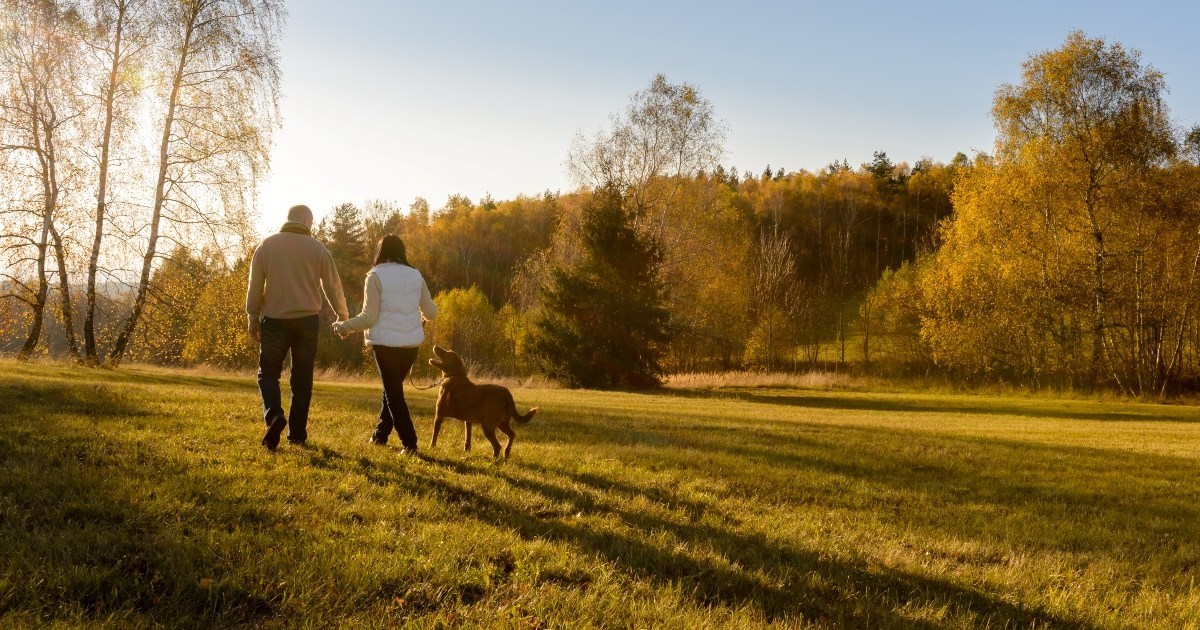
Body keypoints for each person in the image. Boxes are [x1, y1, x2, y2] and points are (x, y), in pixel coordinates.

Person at [245, 204, 349, 451]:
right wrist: (342, 316)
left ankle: (274, 416)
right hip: (307, 322)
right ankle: (297, 435)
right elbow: (333, 286)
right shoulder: (318, 248)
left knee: (268, 374)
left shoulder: (267, 245)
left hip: (274, 321)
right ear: (305, 219)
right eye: (311, 222)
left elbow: (255, 284)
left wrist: (252, 316)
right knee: (302, 380)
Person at [333, 235, 437, 453]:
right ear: (402, 251)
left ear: (380, 251)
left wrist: (344, 326)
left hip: (385, 345)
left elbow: (369, 317)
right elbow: (431, 313)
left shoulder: (375, 275)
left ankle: (410, 444)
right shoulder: (416, 275)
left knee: (393, 394)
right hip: (410, 346)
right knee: (392, 390)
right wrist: (418, 318)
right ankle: (380, 435)